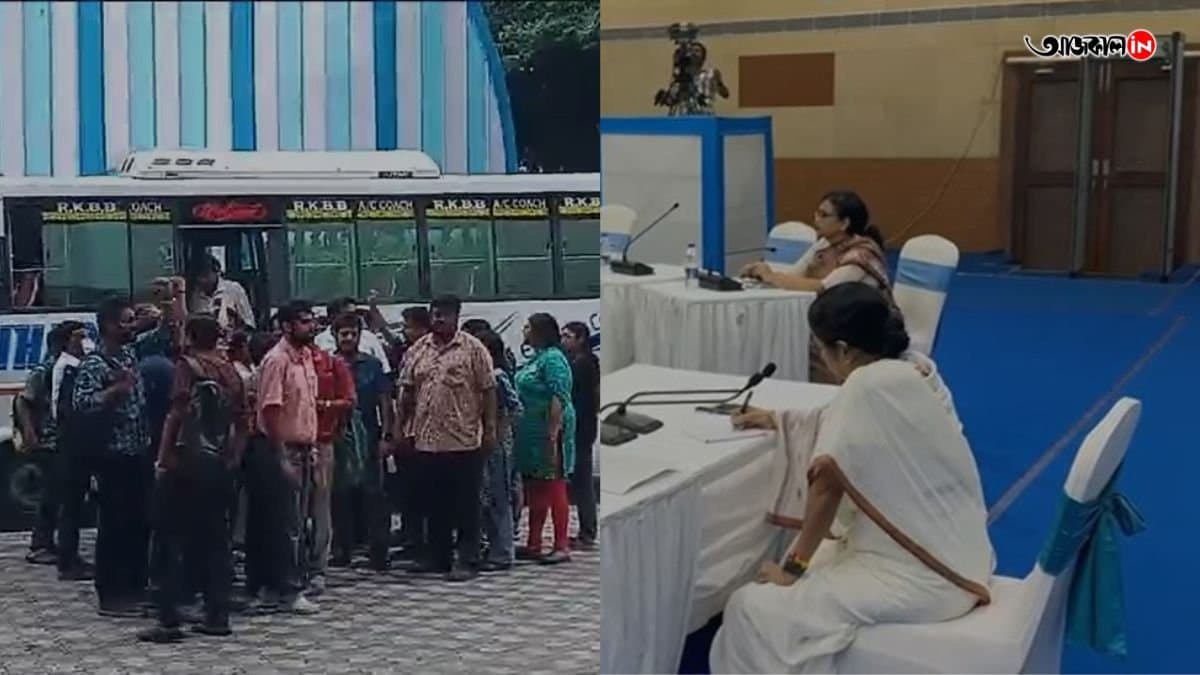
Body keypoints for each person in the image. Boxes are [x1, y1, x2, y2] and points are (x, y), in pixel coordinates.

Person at [709, 283, 994, 673]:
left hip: (921, 574)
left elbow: (827, 484)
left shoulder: (866, 386)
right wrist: (779, 419)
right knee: (815, 560)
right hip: (962, 553)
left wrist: (792, 570)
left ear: (842, 349)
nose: (822, 360)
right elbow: (853, 425)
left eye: (820, 349)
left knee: (751, 606)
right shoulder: (916, 370)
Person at [139, 315, 250, 643]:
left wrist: (162, 459)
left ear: (190, 336)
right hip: (218, 464)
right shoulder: (232, 371)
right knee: (215, 542)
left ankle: (169, 619)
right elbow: (244, 420)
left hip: (185, 463)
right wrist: (233, 458)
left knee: (168, 540)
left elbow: (177, 413)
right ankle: (218, 615)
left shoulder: (187, 367)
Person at [72, 297, 173, 617]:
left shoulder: (131, 354)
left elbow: (166, 333)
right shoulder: (95, 364)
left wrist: (173, 300)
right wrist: (116, 391)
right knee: (115, 527)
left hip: (138, 453)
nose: (133, 326)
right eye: (127, 321)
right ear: (110, 327)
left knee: (139, 524)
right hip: (113, 456)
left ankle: (135, 588)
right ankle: (113, 595)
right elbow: (82, 405)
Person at [396, 295, 496, 582]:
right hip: (426, 440)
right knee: (433, 502)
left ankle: (467, 558)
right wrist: (401, 428)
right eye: (435, 314)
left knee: (465, 504)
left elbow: (488, 390)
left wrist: (489, 429)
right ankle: (437, 557)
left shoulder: (473, 349)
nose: (439, 320)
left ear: (457, 317)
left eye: (445, 315)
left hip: (463, 440)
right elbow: (406, 389)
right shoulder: (418, 349)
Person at [254, 301, 321, 615]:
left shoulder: (307, 358)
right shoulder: (276, 360)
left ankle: (288, 584)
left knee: (299, 522)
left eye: (311, 321)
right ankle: (288, 589)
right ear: (286, 326)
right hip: (284, 450)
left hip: (306, 449)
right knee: (287, 524)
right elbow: (270, 410)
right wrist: (281, 457)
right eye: (304, 322)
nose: (311, 326)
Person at [330, 312, 394, 571]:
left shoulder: (372, 365)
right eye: (343, 333)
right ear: (335, 336)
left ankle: (379, 551)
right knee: (339, 495)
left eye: (352, 333)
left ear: (359, 336)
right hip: (337, 435)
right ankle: (342, 549)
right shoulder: (327, 364)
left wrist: (387, 435)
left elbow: (385, 402)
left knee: (374, 495)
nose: (348, 338)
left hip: (368, 434)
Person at [514, 313, 576, 565]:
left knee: (555, 485)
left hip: (551, 432)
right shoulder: (535, 358)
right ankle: (534, 542)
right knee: (536, 486)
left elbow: (559, 397)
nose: (524, 329)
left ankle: (562, 545)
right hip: (532, 436)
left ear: (539, 331)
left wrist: (552, 434)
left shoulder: (553, 359)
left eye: (528, 326)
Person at [740, 191, 891, 294]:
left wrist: (772, 277)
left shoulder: (861, 255)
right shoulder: (823, 244)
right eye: (817, 213)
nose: (816, 219)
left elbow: (824, 288)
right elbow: (795, 275)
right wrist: (762, 275)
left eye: (824, 215)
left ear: (845, 223)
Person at [306, 332, 356, 596]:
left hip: (322, 441)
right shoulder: (282, 361)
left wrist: (324, 405)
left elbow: (349, 400)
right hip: (291, 442)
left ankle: (317, 568)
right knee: (292, 511)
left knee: (320, 508)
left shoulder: (330, 363)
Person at [17, 323, 68, 565]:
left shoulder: (65, 368)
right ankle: (40, 545)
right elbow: (24, 401)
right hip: (48, 441)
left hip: (62, 440)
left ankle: (50, 542)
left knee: (59, 494)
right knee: (51, 494)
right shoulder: (44, 370)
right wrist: (29, 433)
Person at [473, 329, 523, 572]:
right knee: (485, 497)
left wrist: (498, 434)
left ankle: (503, 552)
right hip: (480, 441)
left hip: (497, 445)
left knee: (498, 497)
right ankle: (490, 547)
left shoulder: (498, 376)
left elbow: (515, 408)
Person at [50, 321, 95, 580]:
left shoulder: (75, 365)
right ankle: (68, 562)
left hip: (74, 443)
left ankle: (71, 556)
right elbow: (69, 409)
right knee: (72, 504)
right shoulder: (68, 368)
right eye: (79, 337)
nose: (84, 341)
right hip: (72, 443)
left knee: (76, 503)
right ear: (67, 340)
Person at [394, 306, 432, 556]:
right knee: (408, 490)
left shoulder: (429, 356)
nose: (405, 332)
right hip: (408, 430)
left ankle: (425, 542)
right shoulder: (409, 353)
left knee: (424, 490)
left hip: (427, 431)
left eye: (408, 327)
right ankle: (411, 538)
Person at [562, 321, 599, 550]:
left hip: (582, 429)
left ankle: (588, 531)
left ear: (581, 339)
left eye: (568, 336)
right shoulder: (576, 362)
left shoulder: (584, 363)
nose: (564, 340)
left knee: (583, 482)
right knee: (578, 481)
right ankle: (586, 529)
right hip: (579, 427)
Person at [314, 297, 393, 375]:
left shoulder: (369, 337)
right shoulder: (319, 340)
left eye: (355, 313)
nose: (349, 338)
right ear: (332, 316)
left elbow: (385, 369)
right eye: (348, 314)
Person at [188, 255, 255, 330]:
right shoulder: (194, 296)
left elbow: (249, 323)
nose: (202, 280)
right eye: (198, 277)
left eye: (205, 275)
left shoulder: (234, 289)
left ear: (216, 271)